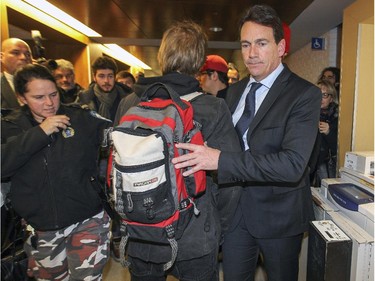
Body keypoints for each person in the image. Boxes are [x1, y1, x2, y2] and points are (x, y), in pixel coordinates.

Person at [172, 5, 321, 281]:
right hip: (234, 215)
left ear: (281, 47)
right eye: (246, 44)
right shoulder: (234, 92)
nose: (251, 53)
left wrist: (220, 160)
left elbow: (293, 165)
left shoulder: (304, 95)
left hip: (279, 218)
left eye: (261, 43)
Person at [114, 20, 241, 281]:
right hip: (195, 232)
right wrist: (219, 226)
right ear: (199, 63)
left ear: (162, 56)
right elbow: (231, 176)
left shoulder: (130, 103)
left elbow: (112, 165)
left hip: (143, 232)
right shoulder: (212, 108)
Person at [1, 63, 112, 280]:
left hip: (87, 220)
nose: (50, 103)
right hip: (42, 230)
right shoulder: (9, 127)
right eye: (39, 97)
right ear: (22, 98)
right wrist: (40, 133)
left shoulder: (80, 118)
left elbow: (116, 134)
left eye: (53, 94)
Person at [78, 56, 132, 122]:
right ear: (94, 77)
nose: (106, 80)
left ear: (115, 77)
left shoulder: (127, 98)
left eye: (110, 76)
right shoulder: (83, 99)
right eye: (101, 76)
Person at [314, 79, 339, 186]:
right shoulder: (307, 112)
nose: (320, 98)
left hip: (326, 164)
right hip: (309, 163)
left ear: (331, 98)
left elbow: (338, 148)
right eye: (317, 94)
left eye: (324, 95)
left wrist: (328, 132)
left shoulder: (337, 117)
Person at [1, 38, 33, 115]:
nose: (23, 57)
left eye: (27, 54)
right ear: (1, 57)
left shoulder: (43, 84)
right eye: (16, 53)